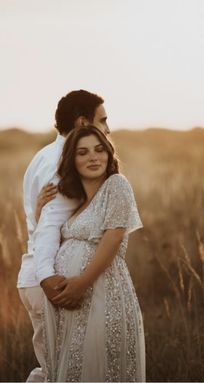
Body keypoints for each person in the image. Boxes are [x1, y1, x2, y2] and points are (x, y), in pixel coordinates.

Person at [17, 90, 110, 382]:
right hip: (51, 282)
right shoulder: (63, 162)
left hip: (41, 275)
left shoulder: (43, 155)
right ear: (83, 123)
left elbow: (41, 218)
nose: (108, 129)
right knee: (61, 374)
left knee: (58, 371)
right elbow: (48, 226)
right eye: (103, 120)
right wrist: (48, 278)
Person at [42, 125, 146, 382]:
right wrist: (39, 207)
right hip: (76, 303)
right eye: (83, 152)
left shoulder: (116, 185)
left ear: (110, 154)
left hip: (102, 293)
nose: (93, 157)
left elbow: (113, 235)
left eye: (100, 150)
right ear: (72, 160)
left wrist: (81, 283)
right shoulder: (78, 204)